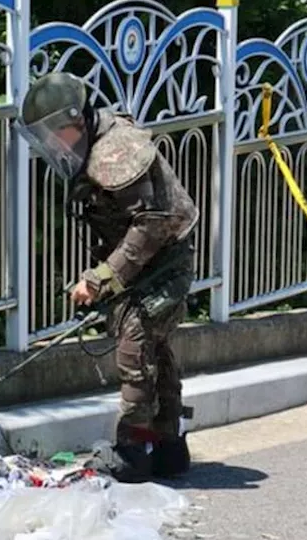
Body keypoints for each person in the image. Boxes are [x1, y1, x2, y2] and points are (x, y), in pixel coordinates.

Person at [15, 71, 199, 483]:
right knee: (154, 348)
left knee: (135, 351)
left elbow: (150, 225)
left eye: (53, 133)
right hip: (151, 259)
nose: (51, 144)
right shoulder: (93, 143)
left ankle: (132, 452)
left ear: (75, 122)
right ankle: (169, 447)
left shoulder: (115, 150)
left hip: (163, 260)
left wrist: (100, 278)